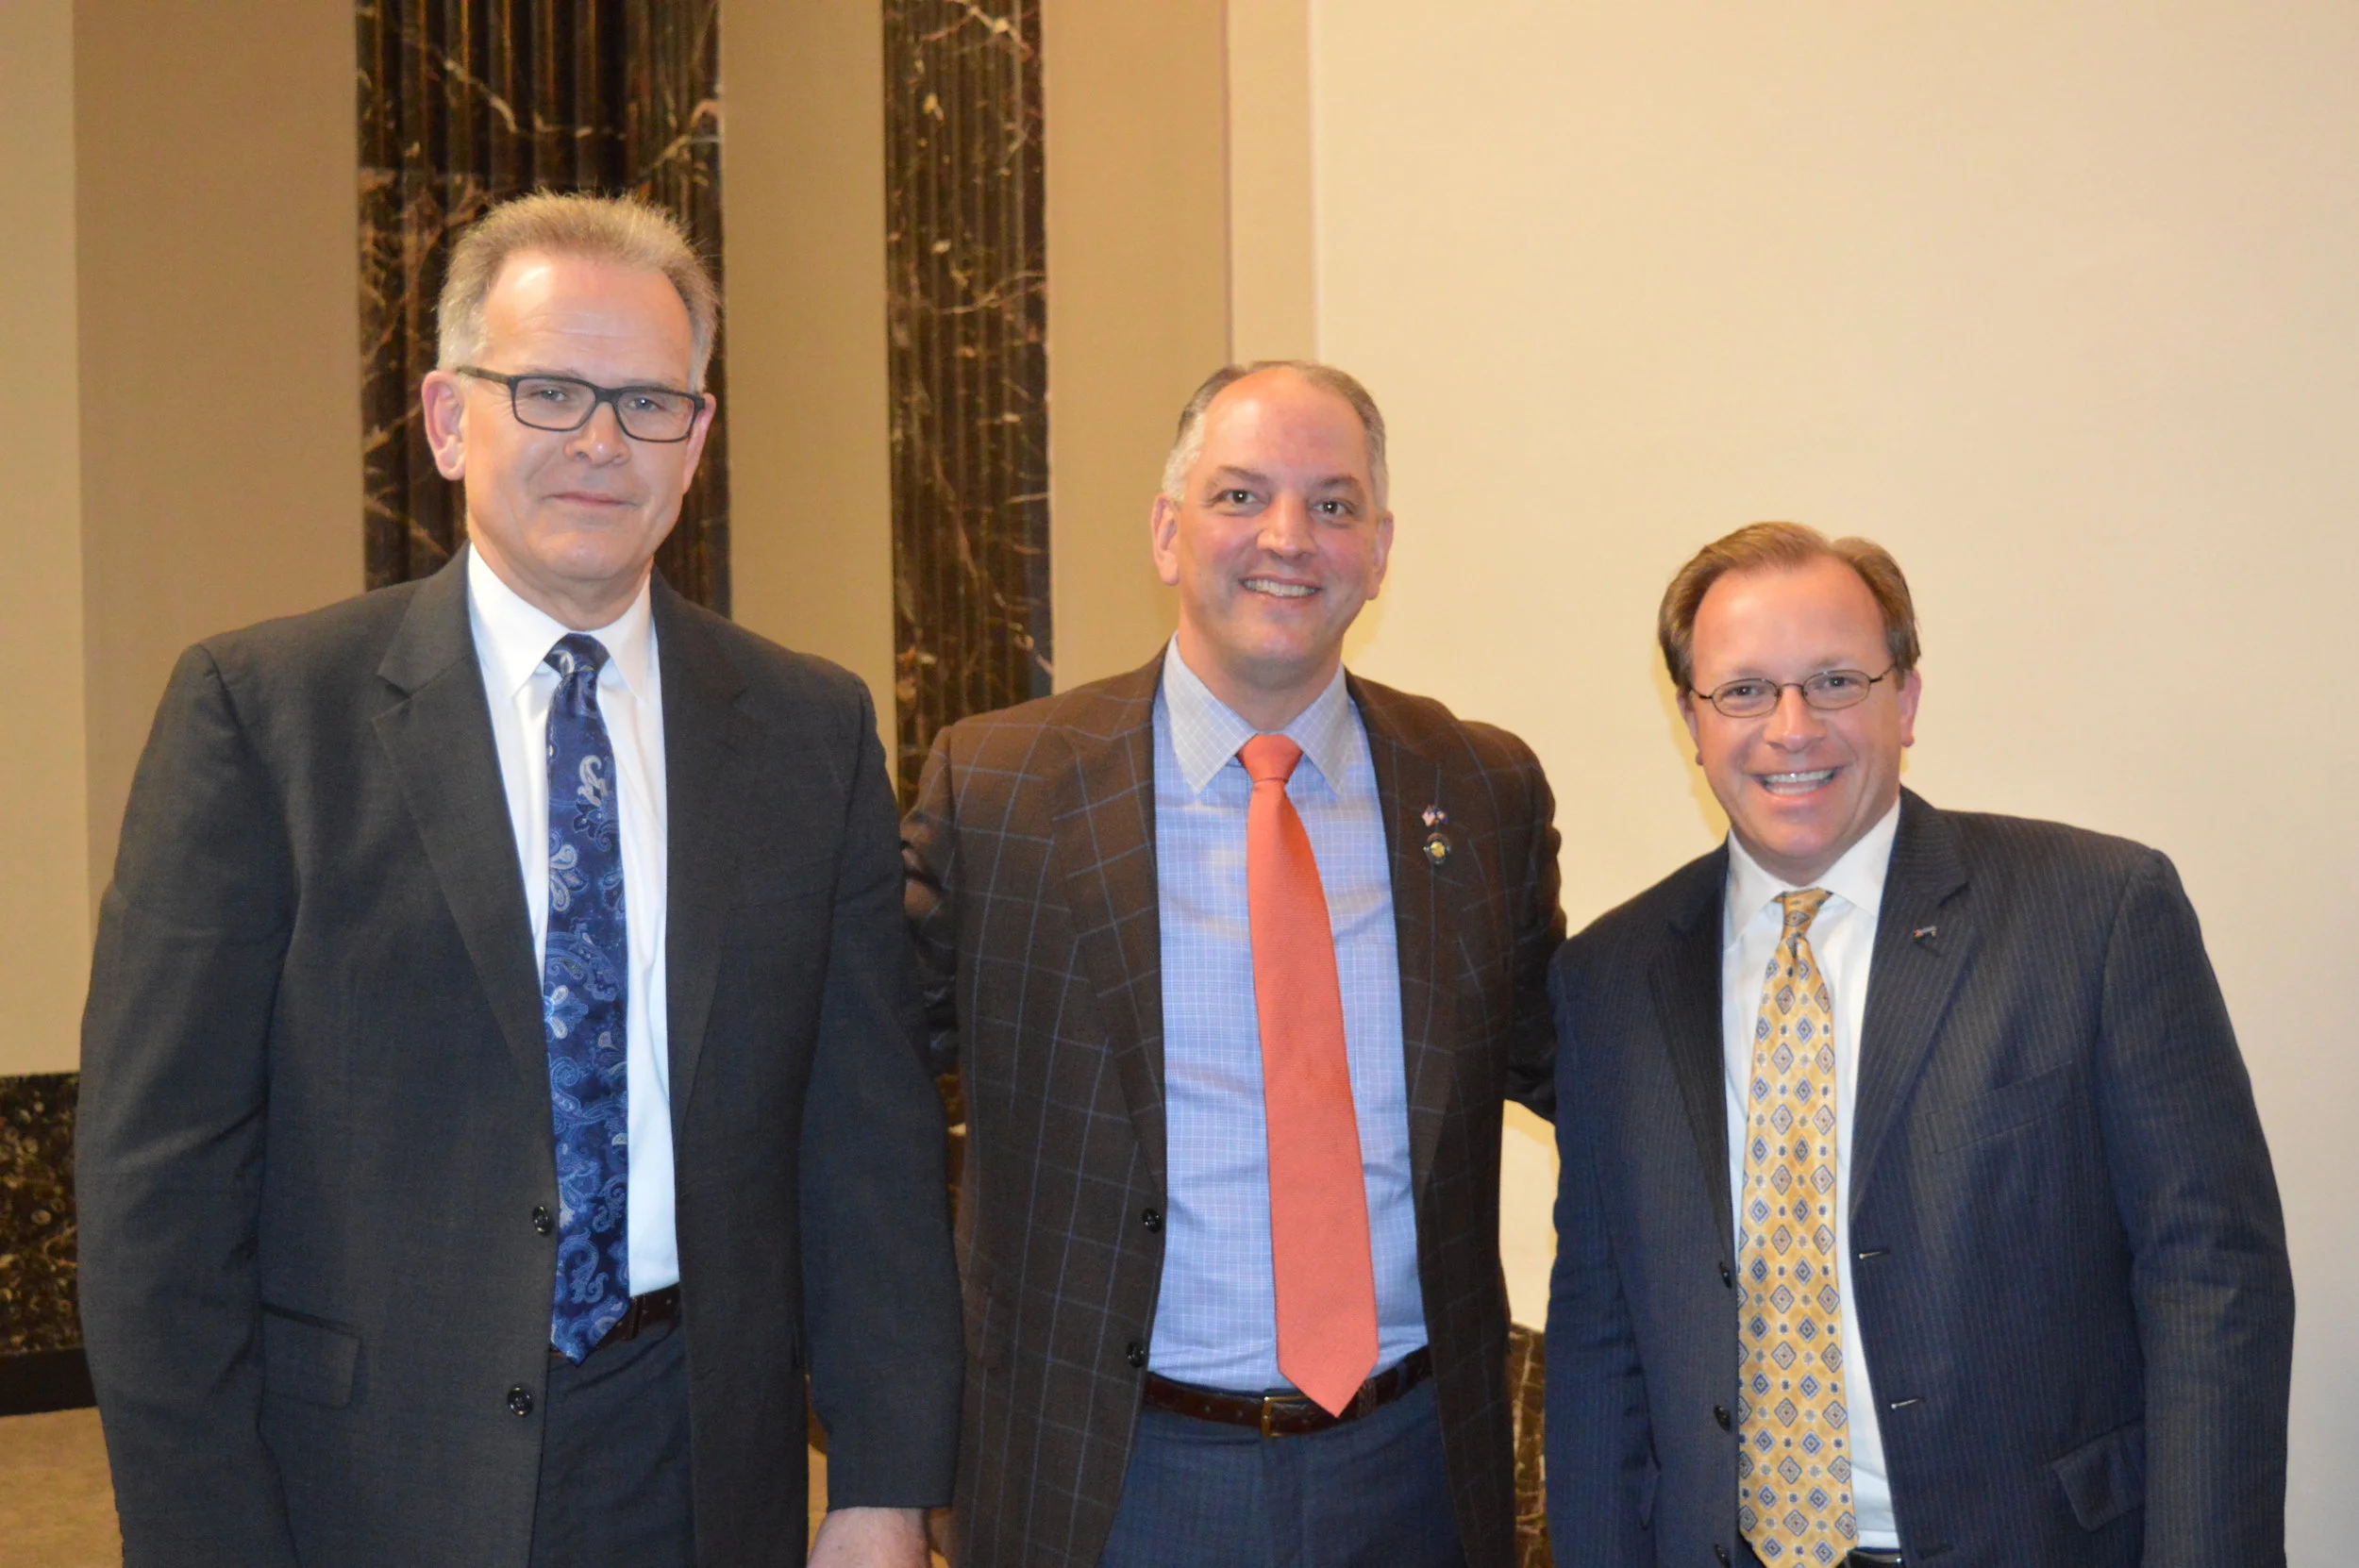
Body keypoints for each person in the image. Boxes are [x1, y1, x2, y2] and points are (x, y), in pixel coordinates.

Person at [76, 192, 961, 1568]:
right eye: (547, 390)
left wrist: (884, 1483)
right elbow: (158, 1192)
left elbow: (868, 1147)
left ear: (698, 441)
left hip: (699, 1458)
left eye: (649, 401)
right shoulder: (263, 717)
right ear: (445, 419)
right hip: (364, 1474)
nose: (600, 440)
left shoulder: (809, 729)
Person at [902, 360, 1564, 1568]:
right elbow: (858, 1106)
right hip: (1113, 1479)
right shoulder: (999, 791)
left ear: (1379, 548)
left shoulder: (1479, 791)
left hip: (1410, 1470)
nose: (1286, 539)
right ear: (1167, 532)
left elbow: (1597, 1072)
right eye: (1239, 495)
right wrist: (887, 1460)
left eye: (1332, 503)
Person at [1544, 522, 2293, 1567]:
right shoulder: (1608, 979)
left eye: (1836, 681)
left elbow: (2212, 1280)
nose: (1791, 729)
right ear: (1691, 720)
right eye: (1745, 691)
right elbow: (1597, 1331)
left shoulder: (2097, 912)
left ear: (1906, 700)